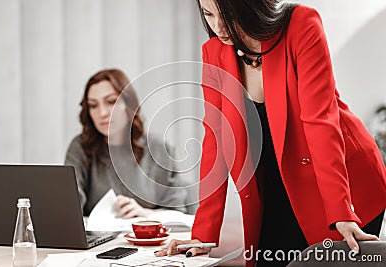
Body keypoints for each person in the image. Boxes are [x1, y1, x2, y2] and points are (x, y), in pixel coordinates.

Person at [155, 0, 386, 266]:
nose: (218, 27)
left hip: (343, 183)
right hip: (275, 186)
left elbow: (320, 122)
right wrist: (203, 234)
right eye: (208, 14)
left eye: (226, 15)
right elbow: (216, 141)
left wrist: (341, 212)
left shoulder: (301, 25)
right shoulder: (214, 52)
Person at [65, 69, 187, 218]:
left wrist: (144, 213)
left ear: (128, 104)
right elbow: (69, 207)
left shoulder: (158, 148)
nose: (102, 113)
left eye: (111, 102)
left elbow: (177, 211)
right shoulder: (80, 147)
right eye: (93, 105)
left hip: (150, 238)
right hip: (101, 239)